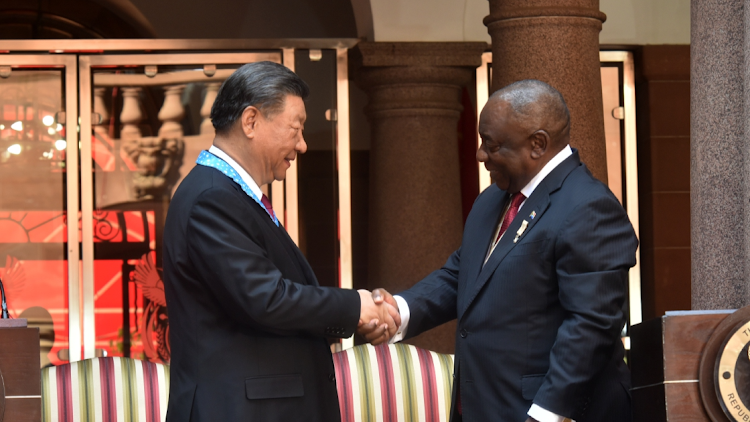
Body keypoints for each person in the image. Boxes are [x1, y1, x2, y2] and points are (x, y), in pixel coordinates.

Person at [365, 80, 638, 422]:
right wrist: (398, 311)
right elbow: (460, 275)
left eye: (492, 145)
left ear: (537, 144)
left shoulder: (589, 207)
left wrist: (547, 414)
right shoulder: (492, 199)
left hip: (545, 412)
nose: (480, 155)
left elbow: (591, 326)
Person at [162, 61, 398, 422]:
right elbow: (265, 299)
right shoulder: (212, 197)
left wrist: (354, 315)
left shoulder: (229, 194)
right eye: (296, 128)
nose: (303, 145)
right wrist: (356, 307)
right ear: (251, 121)